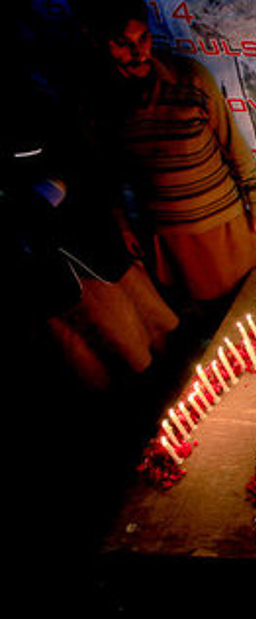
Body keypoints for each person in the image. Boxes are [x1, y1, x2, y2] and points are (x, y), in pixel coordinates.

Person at [84, 2, 256, 310]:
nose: (139, 52)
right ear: (99, 42)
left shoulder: (190, 78)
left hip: (223, 220)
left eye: (143, 38)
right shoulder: (101, 100)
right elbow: (107, 172)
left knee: (255, 300)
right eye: (123, 44)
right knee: (208, 311)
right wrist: (123, 225)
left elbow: (232, 142)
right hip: (172, 232)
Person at [6, 77, 179, 392]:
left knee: (157, 324)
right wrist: (41, 200)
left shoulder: (39, 107)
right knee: (118, 346)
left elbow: (84, 166)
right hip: (52, 264)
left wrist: (118, 221)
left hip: (95, 239)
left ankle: (171, 381)